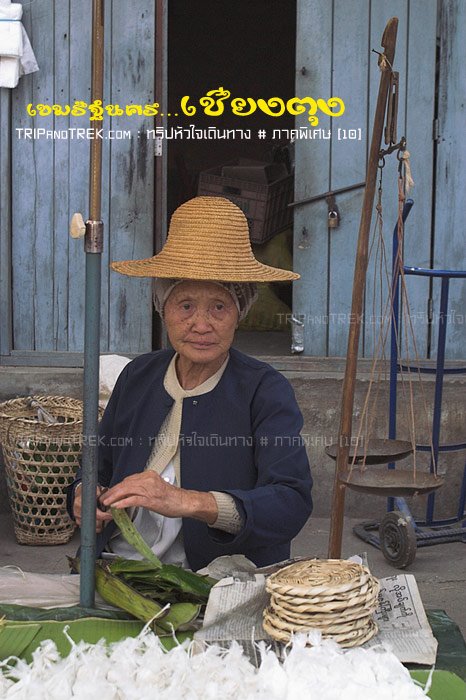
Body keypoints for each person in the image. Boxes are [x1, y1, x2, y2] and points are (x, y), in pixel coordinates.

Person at [68, 196, 313, 571]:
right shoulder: (138, 377)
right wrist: (84, 495)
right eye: (185, 305)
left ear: (239, 314)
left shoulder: (265, 390)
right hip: (118, 569)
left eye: (219, 306)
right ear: (162, 308)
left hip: (213, 581)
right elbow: (95, 468)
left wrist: (191, 502)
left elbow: (291, 502)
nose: (201, 324)